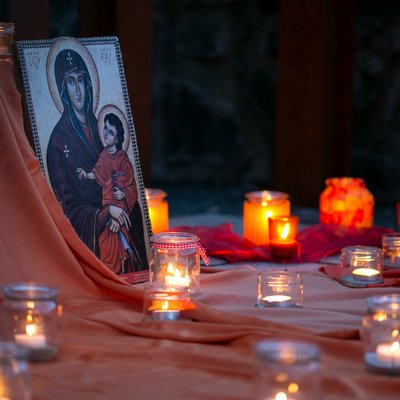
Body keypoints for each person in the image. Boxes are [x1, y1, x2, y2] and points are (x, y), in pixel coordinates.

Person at [46, 48, 146, 273]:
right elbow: (66, 205)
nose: (78, 90)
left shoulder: (103, 126)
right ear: (63, 91)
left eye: (81, 80)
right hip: (91, 221)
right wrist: (105, 213)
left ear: (89, 84)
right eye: (71, 83)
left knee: (137, 211)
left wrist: (120, 205)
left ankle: (136, 274)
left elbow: (122, 173)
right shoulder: (58, 141)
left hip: (117, 208)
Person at [77, 113, 142, 273]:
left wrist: (124, 194)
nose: (106, 133)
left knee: (116, 244)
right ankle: (109, 274)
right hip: (108, 210)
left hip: (121, 211)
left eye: (111, 132)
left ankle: (120, 273)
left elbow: (132, 186)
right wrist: (86, 175)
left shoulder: (123, 160)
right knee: (104, 241)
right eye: (105, 129)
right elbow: (97, 172)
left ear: (118, 138)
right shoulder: (104, 156)